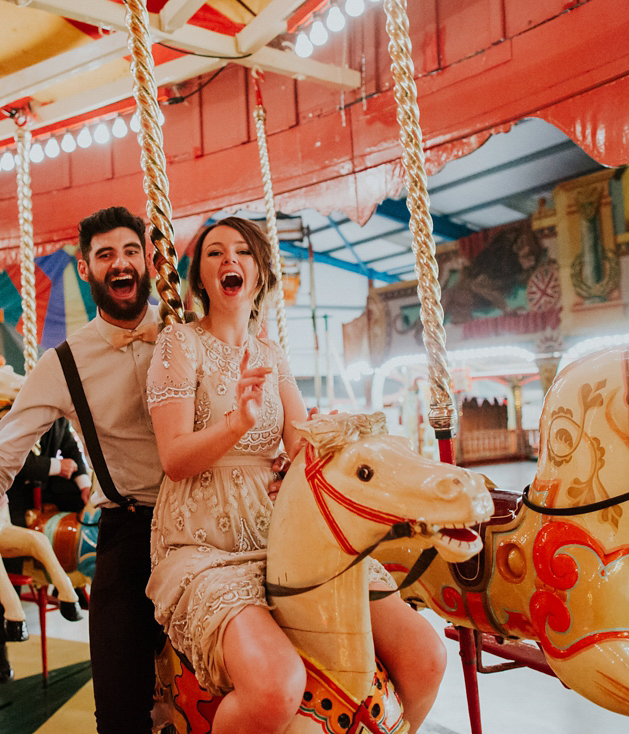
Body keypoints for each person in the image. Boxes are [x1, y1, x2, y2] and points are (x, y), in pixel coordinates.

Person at [145, 217, 445, 734]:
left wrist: (337, 435)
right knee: (274, 688)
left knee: (425, 658)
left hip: (278, 531)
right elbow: (174, 458)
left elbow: (299, 442)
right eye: (215, 253)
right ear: (199, 278)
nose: (229, 260)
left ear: (259, 274)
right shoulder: (179, 344)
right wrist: (236, 422)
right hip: (204, 542)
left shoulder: (271, 356)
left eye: (242, 252)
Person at [0, 206, 165, 733]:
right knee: (119, 710)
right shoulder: (62, 364)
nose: (121, 264)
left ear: (149, 259)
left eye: (131, 251)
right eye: (106, 255)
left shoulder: (185, 329)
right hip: (131, 527)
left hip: (208, 521)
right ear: (85, 269)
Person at [0, 417, 91, 683]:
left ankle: (70, 576)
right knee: (9, 560)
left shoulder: (57, 420)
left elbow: (73, 451)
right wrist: (57, 466)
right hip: (13, 493)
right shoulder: (13, 415)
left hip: (43, 489)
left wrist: (85, 485)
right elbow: (17, 461)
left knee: (85, 504)